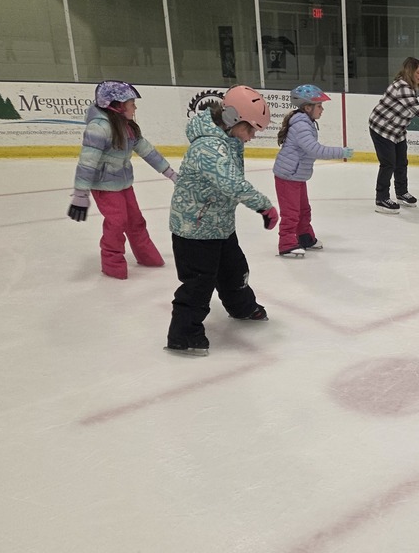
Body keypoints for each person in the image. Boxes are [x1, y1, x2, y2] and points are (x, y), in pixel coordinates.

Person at [165, 85, 278, 357]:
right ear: (231, 119)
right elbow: (232, 184)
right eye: (250, 129)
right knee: (199, 283)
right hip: (194, 229)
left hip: (218, 224)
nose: (251, 137)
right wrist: (264, 206)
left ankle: (241, 306)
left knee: (234, 270)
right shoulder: (209, 148)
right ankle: (183, 334)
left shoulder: (228, 140)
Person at [67, 81, 178, 280]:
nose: (135, 108)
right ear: (116, 105)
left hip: (123, 183)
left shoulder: (128, 127)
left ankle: (147, 257)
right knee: (117, 223)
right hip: (104, 187)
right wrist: (80, 194)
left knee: (136, 220)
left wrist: (170, 173)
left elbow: (147, 151)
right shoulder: (98, 129)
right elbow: (87, 162)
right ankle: (112, 264)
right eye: (131, 103)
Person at [273, 84, 354, 258]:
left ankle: (304, 237)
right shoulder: (301, 125)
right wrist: (341, 152)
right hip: (288, 176)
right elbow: (314, 150)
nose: (322, 109)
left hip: (295, 175)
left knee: (303, 210)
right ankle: (286, 244)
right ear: (307, 107)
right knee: (291, 212)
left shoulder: (305, 122)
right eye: (319, 106)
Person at [368, 56, 419, 214]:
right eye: (418, 72)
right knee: (388, 163)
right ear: (410, 71)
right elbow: (415, 109)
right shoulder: (402, 86)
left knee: (401, 162)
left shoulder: (410, 87)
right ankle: (381, 198)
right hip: (381, 128)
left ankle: (401, 193)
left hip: (397, 131)